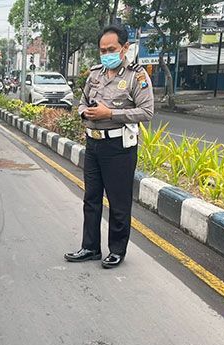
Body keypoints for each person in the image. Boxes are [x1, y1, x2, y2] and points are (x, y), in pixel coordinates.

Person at [64, 25, 154, 269]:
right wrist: (86, 112)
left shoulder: (137, 76)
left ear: (124, 48)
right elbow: (81, 101)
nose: (106, 54)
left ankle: (116, 250)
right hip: (93, 143)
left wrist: (110, 113)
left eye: (111, 49)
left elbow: (147, 112)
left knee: (118, 201)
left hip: (119, 147)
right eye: (102, 50)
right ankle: (90, 247)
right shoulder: (95, 74)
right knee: (91, 198)